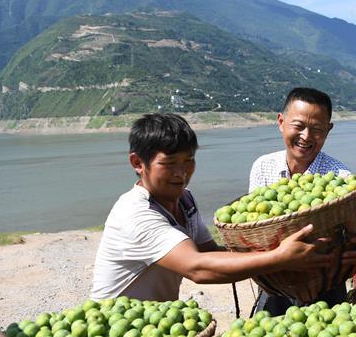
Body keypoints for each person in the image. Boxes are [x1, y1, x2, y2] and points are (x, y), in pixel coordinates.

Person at [91, 113, 332, 302]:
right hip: (116, 326)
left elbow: (210, 252)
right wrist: (279, 258)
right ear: (137, 163)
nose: (181, 172)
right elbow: (198, 268)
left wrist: (273, 251)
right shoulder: (136, 214)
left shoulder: (184, 200)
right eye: (169, 163)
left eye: (188, 161)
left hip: (153, 325)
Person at [249, 87, 356, 315]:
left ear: (328, 130)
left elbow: (354, 238)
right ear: (281, 122)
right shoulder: (263, 167)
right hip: (276, 284)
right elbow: (254, 232)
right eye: (298, 126)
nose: (306, 136)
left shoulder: (342, 179)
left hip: (326, 289)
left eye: (317, 129)